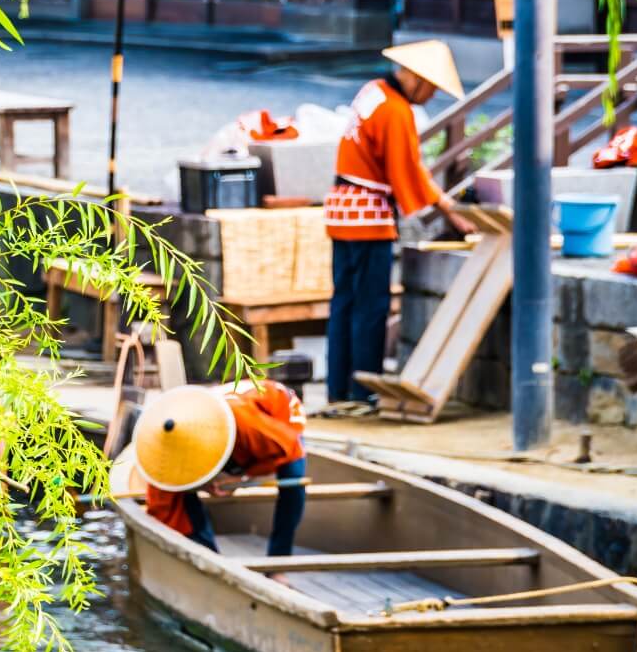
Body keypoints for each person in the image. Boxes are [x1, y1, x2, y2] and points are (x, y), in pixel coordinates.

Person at [324, 39, 476, 406]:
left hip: (341, 209)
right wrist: (448, 209)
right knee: (371, 306)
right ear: (417, 80)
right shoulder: (396, 111)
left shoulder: (371, 92)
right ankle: (364, 391)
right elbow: (406, 169)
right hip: (367, 216)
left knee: (343, 303)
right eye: (431, 88)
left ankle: (338, 388)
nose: (430, 96)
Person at [135, 383, 306, 556]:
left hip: (281, 422)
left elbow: (289, 449)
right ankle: (207, 552)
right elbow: (161, 505)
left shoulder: (251, 427)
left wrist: (242, 478)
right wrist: (203, 483)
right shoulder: (171, 434)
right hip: (231, 420)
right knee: (176, 491)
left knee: (293, 483)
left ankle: (278, 560)